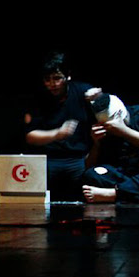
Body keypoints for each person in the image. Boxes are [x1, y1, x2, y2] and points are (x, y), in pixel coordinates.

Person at [24, 51, 101, 201]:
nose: (52, 84)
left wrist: (99, 96)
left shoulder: (81, 90)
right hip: (48, 159)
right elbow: (30, 137)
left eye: (57, 78)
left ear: (68, 76)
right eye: (47, 79)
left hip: (78, 158)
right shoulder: (39, 98)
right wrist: (57, 134)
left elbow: (106, 103)